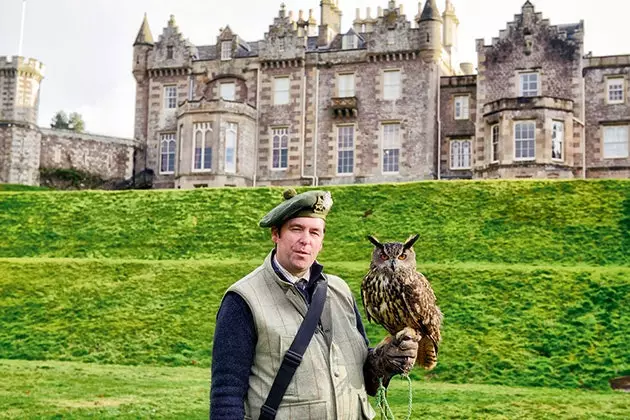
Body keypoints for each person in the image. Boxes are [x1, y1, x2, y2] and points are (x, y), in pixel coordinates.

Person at [210, 189, 418, 419]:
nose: (305, 240)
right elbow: (226, 393)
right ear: (276, 234)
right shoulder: (243, 299)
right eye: (296, 229)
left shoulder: (340, 291)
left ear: (322, 241)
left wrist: (385, 362)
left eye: (315, 232)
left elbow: (362, 377)